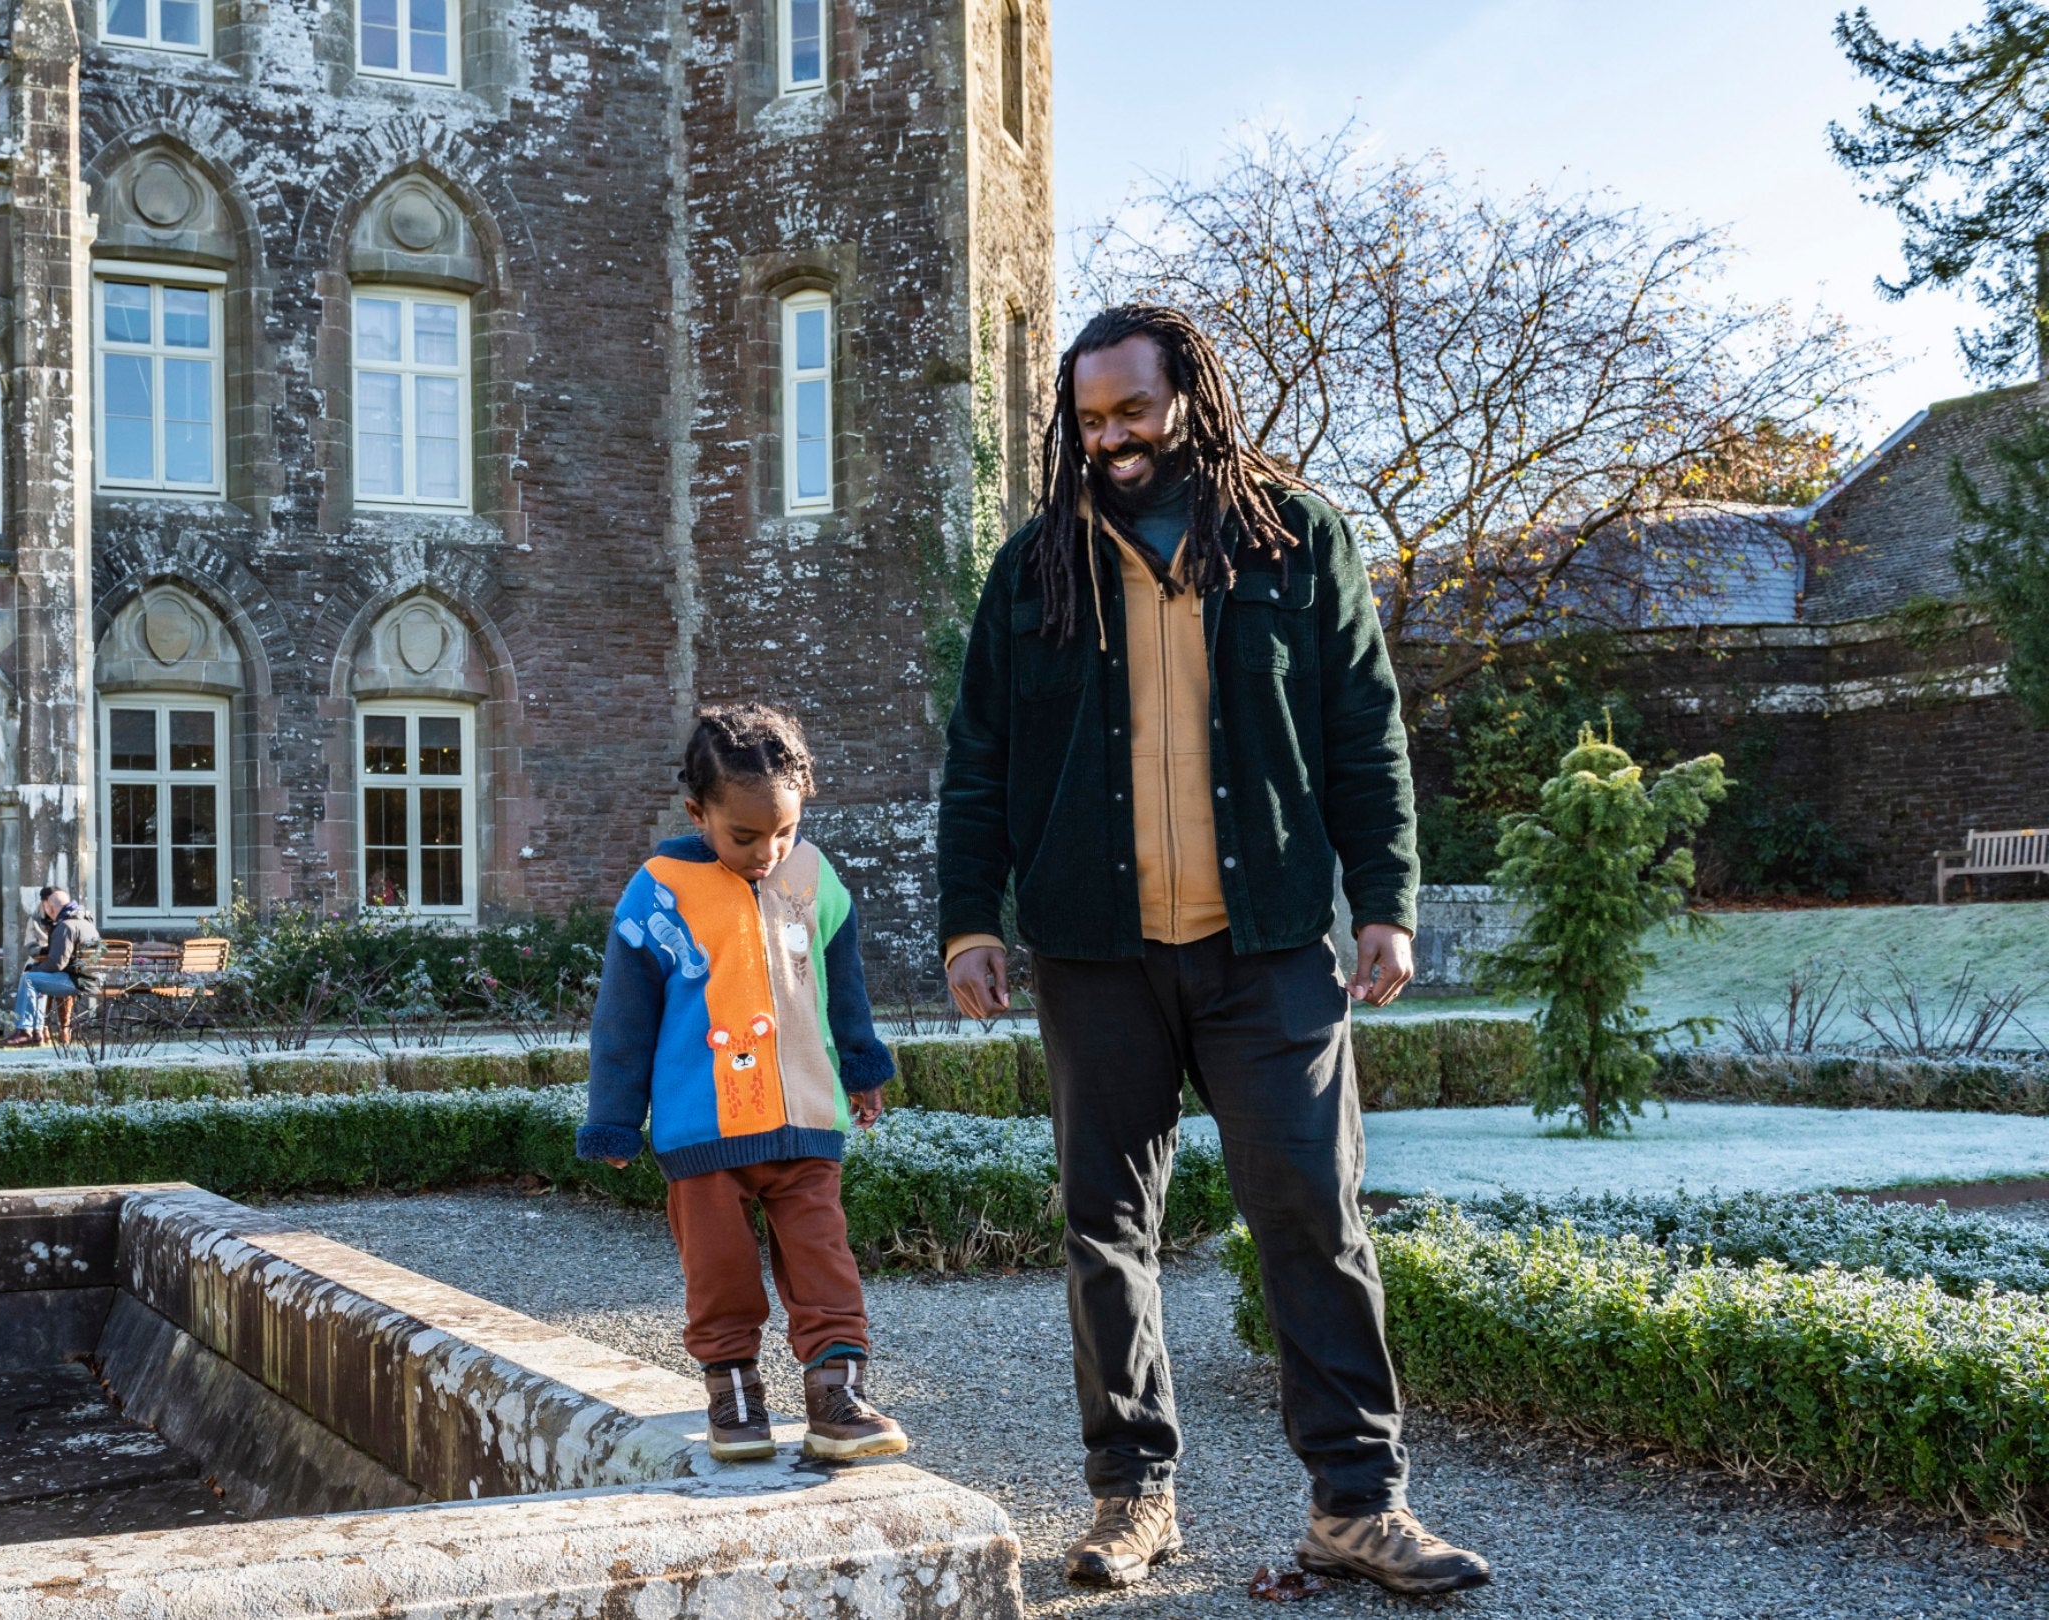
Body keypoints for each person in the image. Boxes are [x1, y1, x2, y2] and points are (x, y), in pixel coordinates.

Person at [937, 304, 1491, 1596]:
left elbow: (1368, 735)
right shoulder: (1032, 573)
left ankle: (1357, 1506)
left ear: (1191, 396)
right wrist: (973, 918)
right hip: (1094, 952)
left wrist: (1386, 901)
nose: (1112, 439)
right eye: (1089, 420)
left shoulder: (1300, 545)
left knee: (1313, 1210)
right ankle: (1133, 1500)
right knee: (1104, 1230)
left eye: (1133, 411)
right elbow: (980, 766)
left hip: (1271, 951)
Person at [578, 703, 907, 1464]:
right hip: (703, 1129)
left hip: (807, 1113)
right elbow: (622, 1019)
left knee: (826, 1261)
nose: (769, 851)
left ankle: (837, 1396)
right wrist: (615, 1120)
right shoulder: (657, 891)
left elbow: (842, 983)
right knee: (719, 1273)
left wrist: (861, 1066)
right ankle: (732, 1391)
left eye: (785, 831)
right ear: (699, 812)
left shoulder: (816, 878)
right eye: (745, 836)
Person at [0, 887, 99, 1049]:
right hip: (91, 978)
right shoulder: (85, 921)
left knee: (29, 979)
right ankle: (36, 1030)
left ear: (49, 907)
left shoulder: (65, 926)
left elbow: (56, 963)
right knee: (34, 979)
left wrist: (35, 969)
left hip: (79, 982)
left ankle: (25, 1031)